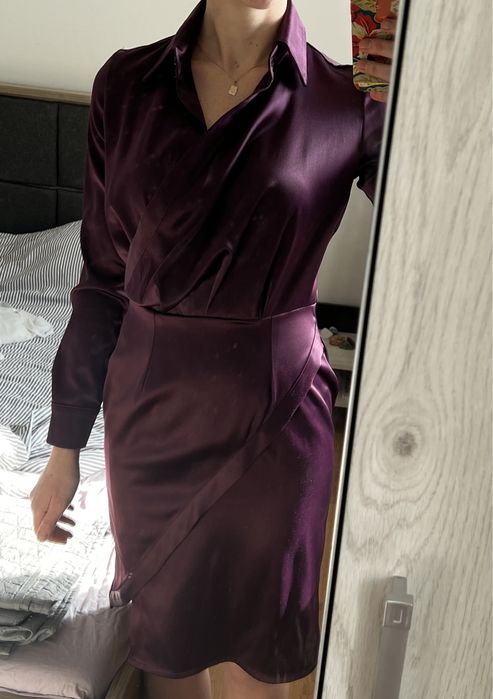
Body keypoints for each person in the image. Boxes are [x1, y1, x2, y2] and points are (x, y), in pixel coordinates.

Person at [29, 1, 395, 697]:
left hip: (275, 421)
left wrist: (425, 96)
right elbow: (102, 281)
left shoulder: (350, 100)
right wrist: (64, 447)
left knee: (261, 663)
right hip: (149, 420)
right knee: (168, 656)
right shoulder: (125, 86)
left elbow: (445, 218)